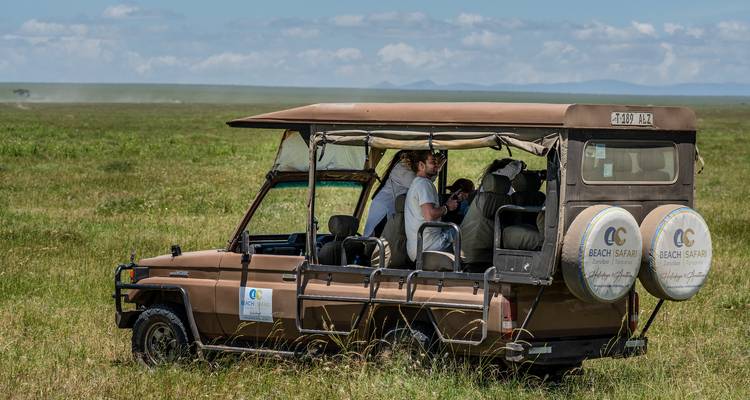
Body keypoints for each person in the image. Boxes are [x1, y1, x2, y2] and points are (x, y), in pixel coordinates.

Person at [404, 151, 458, 262]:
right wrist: (447, 207)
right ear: (421, 165)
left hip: (418, 248)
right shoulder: (424, 184)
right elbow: (429, 215)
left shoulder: (418, 183)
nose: (437, 165)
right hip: (429, 247)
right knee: (464, 231)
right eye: (433, 162)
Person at [363, 151, 416, 237]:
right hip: (384, 209)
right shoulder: (401, 168)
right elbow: (417, 183)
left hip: (389, 208)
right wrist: (436, 170)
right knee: (376, 240)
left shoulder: (406, 167)